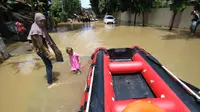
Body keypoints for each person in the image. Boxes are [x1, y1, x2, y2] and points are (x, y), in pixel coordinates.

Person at [28, 13, 56, 87]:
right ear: (36, 20)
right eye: (41, 21)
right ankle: (50, 83)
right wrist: (48, 55)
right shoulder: (35, 30)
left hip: (43, 49)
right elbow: (40, 45)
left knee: (49, 65)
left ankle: (50, 78)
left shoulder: (39, 26)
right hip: (41, 50)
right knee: (48, 65)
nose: (43, 23)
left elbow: (46, 37)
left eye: (43, 21)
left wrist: (52, 46)